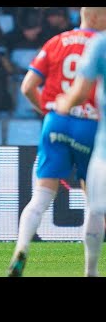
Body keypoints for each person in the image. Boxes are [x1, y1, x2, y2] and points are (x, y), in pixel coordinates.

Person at [7, 7, 106, 277]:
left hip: (56, 122)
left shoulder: (56, 42)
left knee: (40, 197)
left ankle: (21, 249)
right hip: (91, 124)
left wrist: (47, 111)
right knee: (94, 203)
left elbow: (27, 86)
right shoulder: (101, 45)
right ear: (95, 17)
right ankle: (91, 271)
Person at [56, 29, 106, 277]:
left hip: (104, 148)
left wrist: (63, 104)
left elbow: (80, 92)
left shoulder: (101, 44)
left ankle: (91, 271)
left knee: (96, 210)